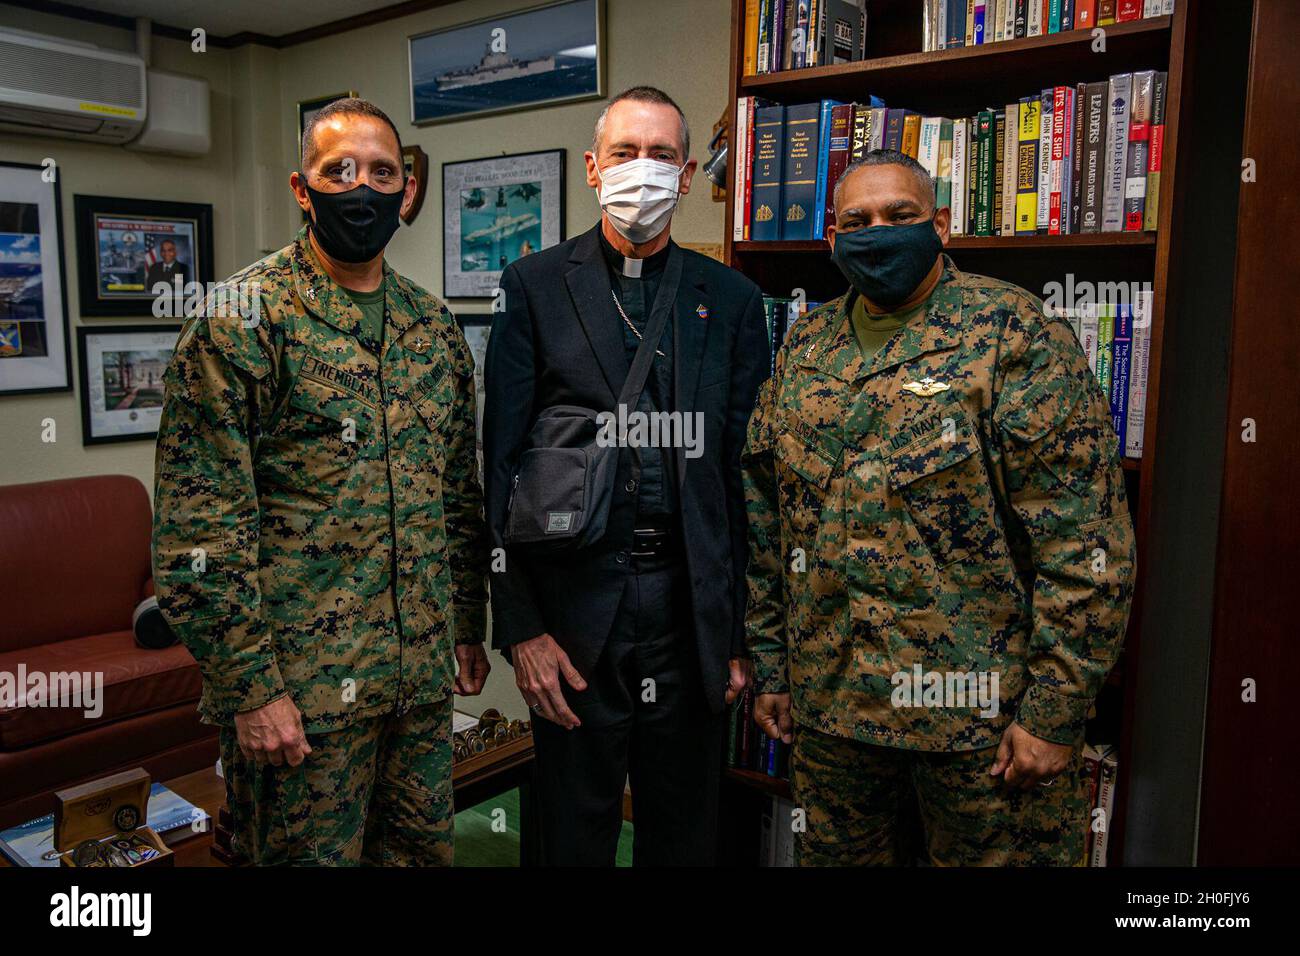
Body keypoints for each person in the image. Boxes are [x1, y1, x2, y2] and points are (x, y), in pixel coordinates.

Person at [743, 149, 1136, 865]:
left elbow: (1085, 543)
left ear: (941, 225)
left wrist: (1053, 712)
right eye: (856, 221)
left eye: (900, 215)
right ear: (831, 239)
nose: (878, 232)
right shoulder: (806, 345)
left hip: (980, 723)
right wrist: (771, 667)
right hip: (835, 714)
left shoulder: (1015, 333)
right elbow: (771, 521)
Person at [152, 97, 489, 866]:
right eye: (339, 171)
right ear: (303, 191)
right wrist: (251, 690)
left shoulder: (432, 330)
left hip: (417, 682)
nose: (361, 188)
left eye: (381, 171)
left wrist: (467, 625)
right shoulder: (242, 321)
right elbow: (199, 536)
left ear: (407, 190)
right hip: (301, 696)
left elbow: (456, 499)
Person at [483, 86, 768, 865]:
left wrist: (744, 635)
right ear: (592, 168)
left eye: (663, 156)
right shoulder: (533, 288)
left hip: (689, 611)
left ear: (685, 175)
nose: (642, 170)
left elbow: (752, 483)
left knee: (683, 834)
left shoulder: (735, 301)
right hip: (574, 615)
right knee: (572, 835)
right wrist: (522, 631)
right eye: (624, 153)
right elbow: (499, 466)